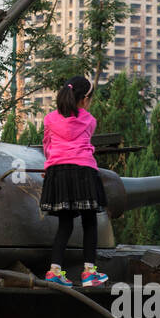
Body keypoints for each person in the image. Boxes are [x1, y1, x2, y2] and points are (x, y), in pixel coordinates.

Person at [40, 75, 109, 288]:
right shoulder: (89, 120)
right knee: (90, 223)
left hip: (58, 172)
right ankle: (89, 273)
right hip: (84, 171)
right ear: (85, 99)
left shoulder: (49, 119)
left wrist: (51, 164)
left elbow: (47, 145)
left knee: (65, 224)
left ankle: (55, 272)